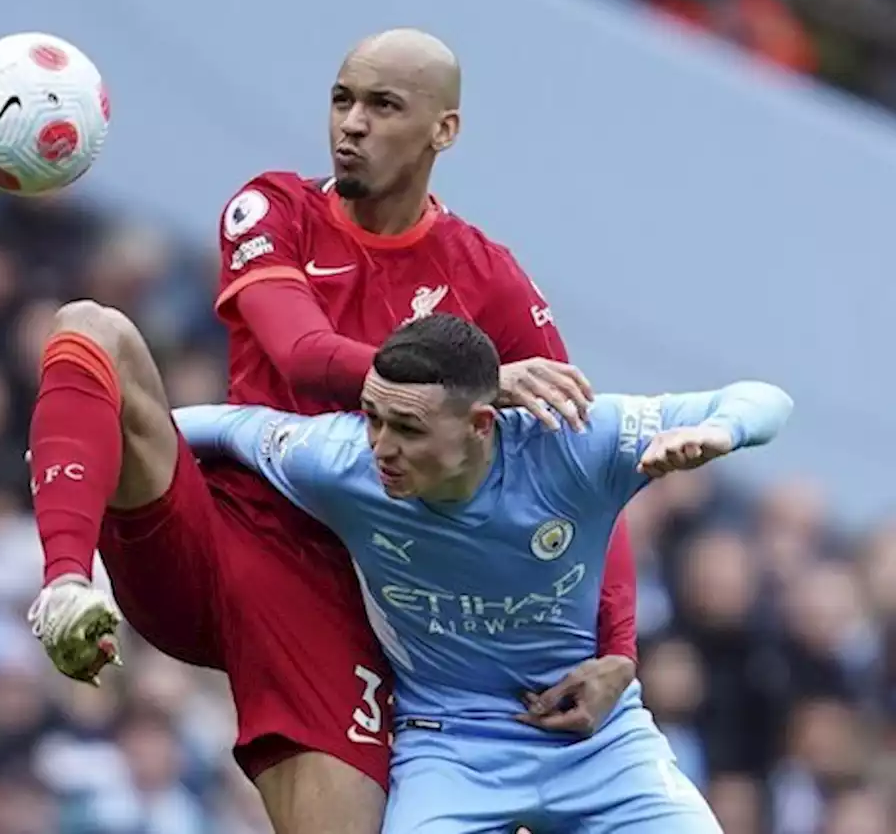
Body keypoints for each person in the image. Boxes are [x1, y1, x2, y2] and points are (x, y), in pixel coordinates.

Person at [26, 28, 637, 833]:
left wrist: (618, 649)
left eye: (383, 106)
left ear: (442, 131)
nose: (351, 123)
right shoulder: (272, 208)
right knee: (91, 327)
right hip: (215, 528)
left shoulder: (486, 278)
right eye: (343, 99)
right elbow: (303, 355)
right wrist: (476, 385)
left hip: (337, 595)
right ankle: (66, 585)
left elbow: (581, 466)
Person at [173, 313, 793, 833]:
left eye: (409, 428)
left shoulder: (574, 442)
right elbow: (225, 428)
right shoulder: (339, 462)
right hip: (450, 749)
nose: (382, 446)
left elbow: (767, 399)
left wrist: (719, 431)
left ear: (479, 424)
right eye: (373, 417)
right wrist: (88, 428)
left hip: (598, 743)